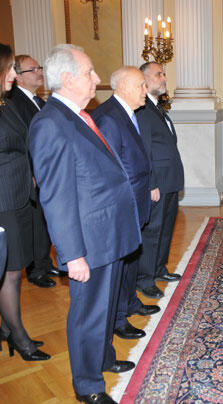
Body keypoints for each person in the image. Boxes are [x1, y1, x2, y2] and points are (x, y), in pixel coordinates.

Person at [29, 44, 141, 404]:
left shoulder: (77, 115)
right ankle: (88, 386)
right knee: (88, 314)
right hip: (89, 241)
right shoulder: (50, 124)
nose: (97, 78)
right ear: (67, 79)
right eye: (89, 72)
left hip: (108, 233)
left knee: (105, 308)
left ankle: (103, 358)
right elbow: (56, 197)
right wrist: (72, 254)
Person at [92, 66, 160, 341]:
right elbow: (110, 170)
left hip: (136, 198)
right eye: (140, 85)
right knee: (120, 263)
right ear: (122, 87)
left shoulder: (128, 112)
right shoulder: (109, 117)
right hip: (123, 203)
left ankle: (130, 302)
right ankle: (118, 318)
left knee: (132, 257)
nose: (145, 90)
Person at [0, 43, 50, 361]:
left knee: (12, 268)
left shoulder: (6, 103)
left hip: (17, 194)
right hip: (3, 200)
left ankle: (7, 329)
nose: (13, 75)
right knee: (10, 272)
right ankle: (19, 338)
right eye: (9, 69)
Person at [135, 62, 184, 299]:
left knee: (165, 228)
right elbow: (144, 150)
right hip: (157, 183)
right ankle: (144, 279)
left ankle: (158, 269)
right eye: (159, 74)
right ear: (144, 79)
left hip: (169, 180)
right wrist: (151, 183)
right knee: (153, 231)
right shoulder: (142, 109)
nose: (164, 78)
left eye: (164, 74)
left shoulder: (156, 107)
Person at [9, 54, 59, 288]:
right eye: (33, 69)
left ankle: (44, 261)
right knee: (34, 221)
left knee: (44, 220)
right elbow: (23, 141)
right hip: (31, 173)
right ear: (18, 76)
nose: (40, 72)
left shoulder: (39, 100)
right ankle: (35, 270)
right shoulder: (14, 102)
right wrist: (31, 171)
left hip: (46, 170)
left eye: (40, 68)